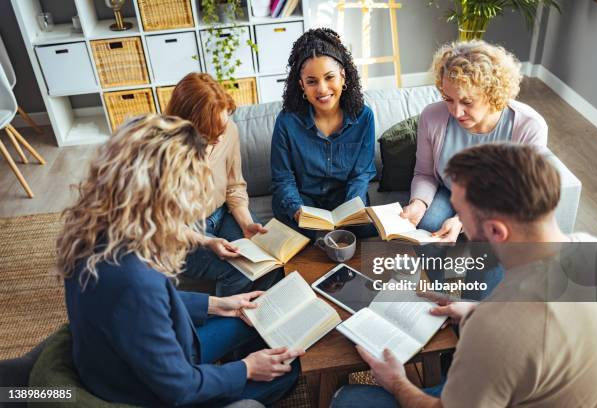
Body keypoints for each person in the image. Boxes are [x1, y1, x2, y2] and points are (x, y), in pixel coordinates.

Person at [331, 144, 597, 408]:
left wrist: (396, 381)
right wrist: (475, 308)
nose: (458, 224)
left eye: (462, 216)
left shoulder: (494, 330)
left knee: (347, 398)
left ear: (496, 232)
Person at [57, 115, 303, 407]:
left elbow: (148, 305)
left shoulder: (97, 230)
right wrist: (247, 368)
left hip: (145, 360)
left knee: (255, 319)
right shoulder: (133, 280)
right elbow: (179, 388)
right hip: (148, 394)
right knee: (289, 372)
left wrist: (221, 304)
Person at [401, 40, 548, 242]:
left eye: (467, 102)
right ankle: (428, 275)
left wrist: (462, 221)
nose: (456, 112)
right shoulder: (432, 116)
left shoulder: (529, 127)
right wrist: (418, 203)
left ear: (492, 93)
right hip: (451, 190)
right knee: (427, 228)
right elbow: (425, 173)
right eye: (448, 98)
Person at [164, 72, 282, 296]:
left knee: (271, 262)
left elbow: (234, 185)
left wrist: (246, 223)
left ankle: (261, 314)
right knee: (239, 270)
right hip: (184, 235)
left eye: (222, 127)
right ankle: (230, 318)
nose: (219, 138)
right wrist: (207, 242)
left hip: (223, 214)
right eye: (208, 133)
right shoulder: (161, 155)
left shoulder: (228, 132)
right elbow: (164, 225)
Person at [271, 28, 378, 240]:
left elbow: (361, 174)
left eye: (329, 77)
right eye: (311, 81)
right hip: (304, 203)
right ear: (301, 84)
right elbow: (283, 179)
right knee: (310, 239)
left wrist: (350, 212)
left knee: (371, 235)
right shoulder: (286, 122)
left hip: (347, 202)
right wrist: (299, 211)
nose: (322, 89)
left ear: (343, 76)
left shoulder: (364, 117)